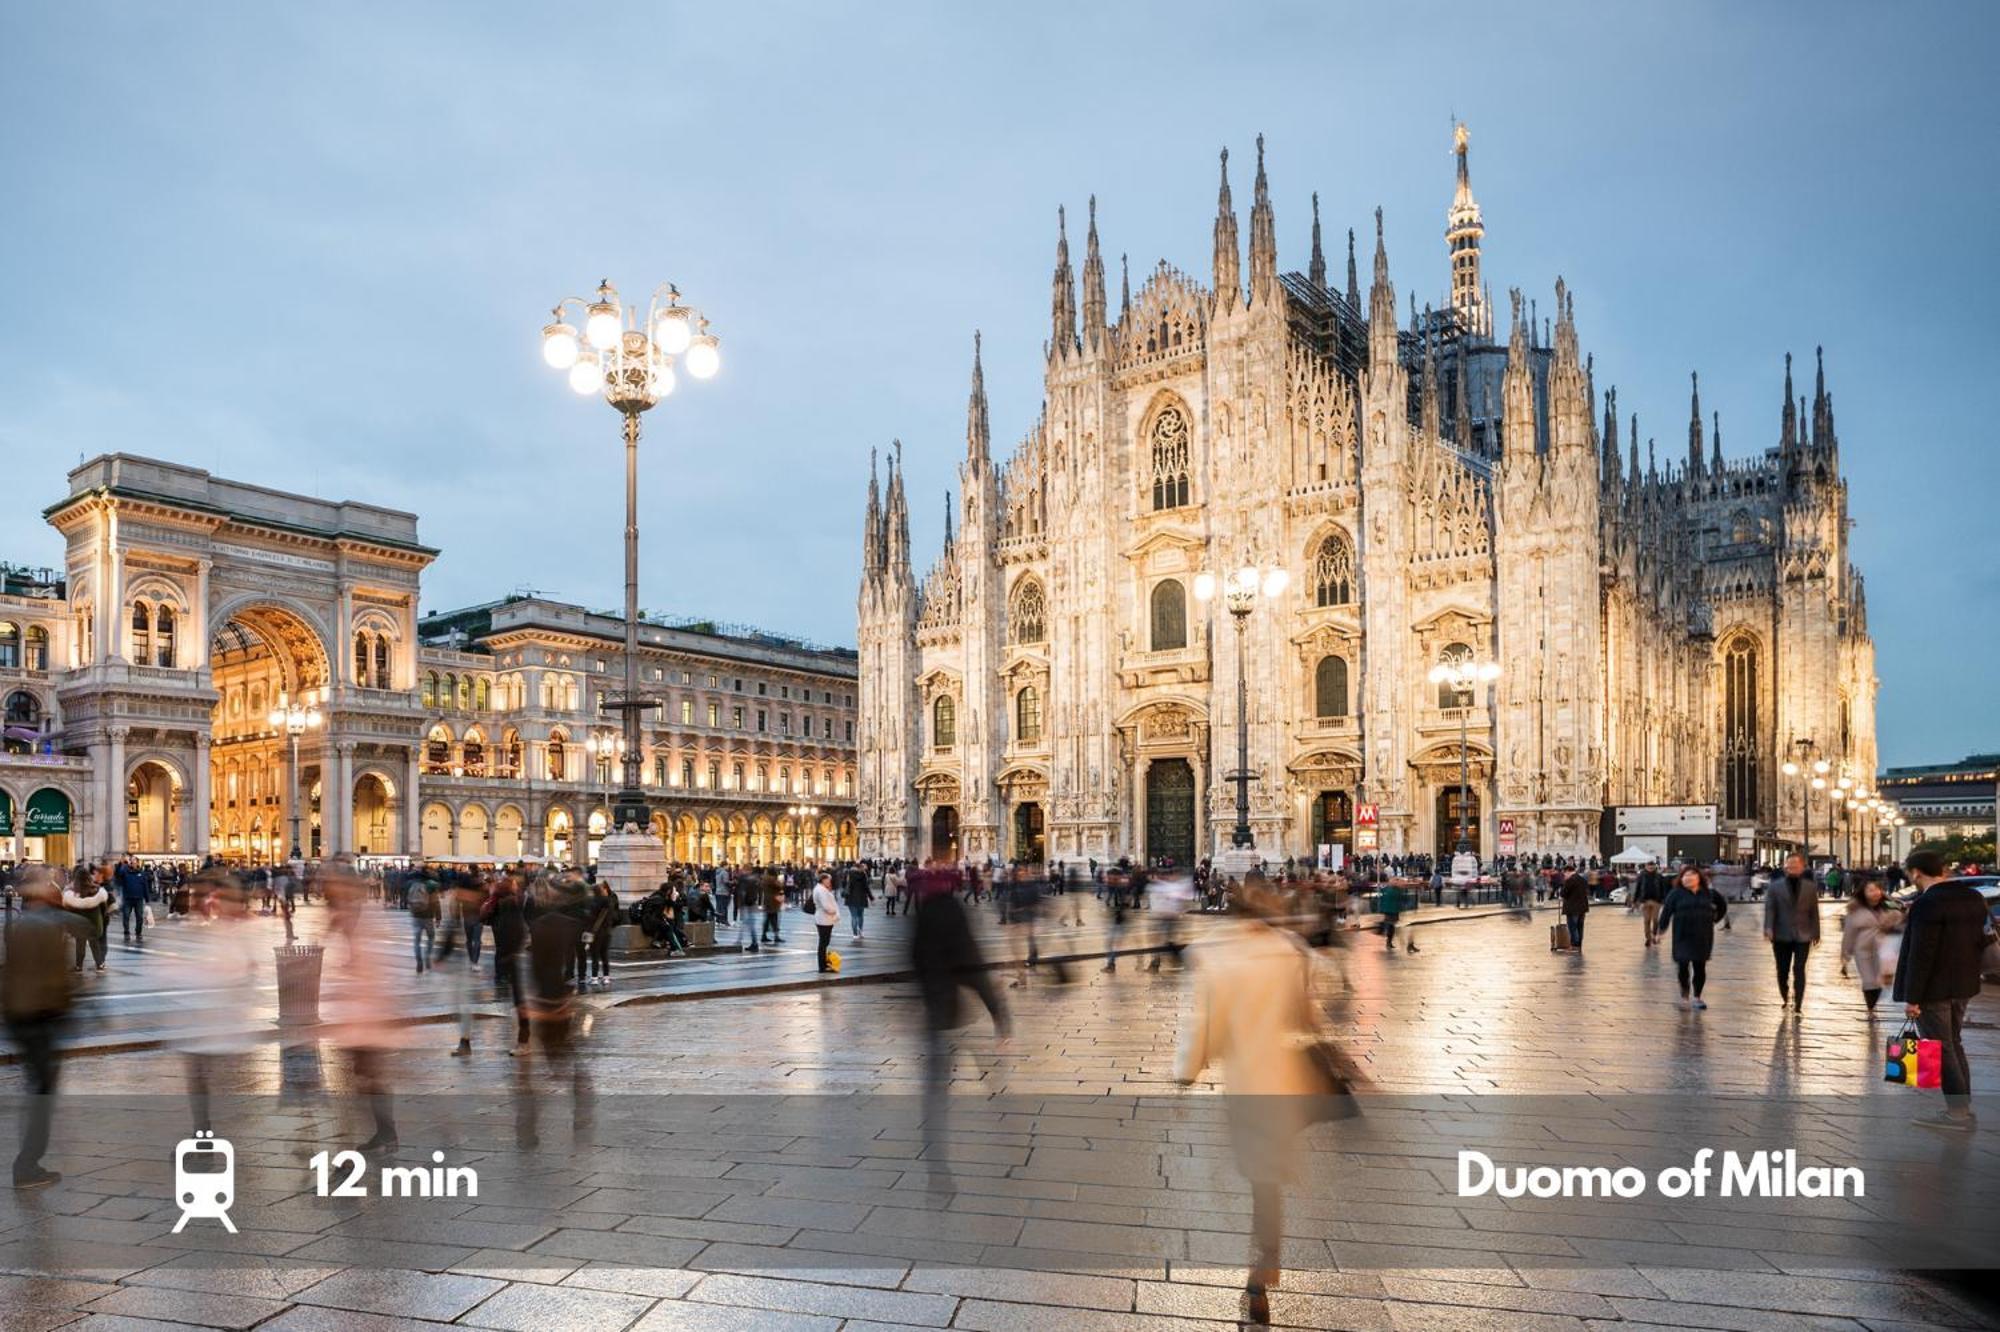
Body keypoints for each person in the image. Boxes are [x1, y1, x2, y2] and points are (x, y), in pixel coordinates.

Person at [1175, 878, 1345, 1324]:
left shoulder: (1217, 958)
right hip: (1285, 1075)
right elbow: (1307, 1015)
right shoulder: (1288, 952)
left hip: (1247, 1080)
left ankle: (1261, 1266)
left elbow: (1205, 1024)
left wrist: (1187, 1071)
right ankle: (1265, 1260)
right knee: (1268, 1178)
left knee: (1258, 1175)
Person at [3, 868, 91, 1187]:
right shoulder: (47, 925)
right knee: (42, 1094)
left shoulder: (19, 926)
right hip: (40, 1017)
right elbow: (85, 929)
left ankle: (27, 1161)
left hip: (19, 1017)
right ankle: (27, 1165)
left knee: (36, 1090)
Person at [1892, 850, 1990, 1131]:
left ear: (1916, 873)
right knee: (1953, 1043)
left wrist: (1912, 998)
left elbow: (1921, 955)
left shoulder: (1927, 904)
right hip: (1965, 984)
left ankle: (1957, 1114)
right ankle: (1962, 1107)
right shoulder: (1973, 897)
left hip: (1934, 989)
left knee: (1941, 1047)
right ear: (1943, 869)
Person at [1656, 865, 1727, 1009]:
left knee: (1699, 966)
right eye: (1685, 876)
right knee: (1683, 965)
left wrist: (1714, 919)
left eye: (1691, 875)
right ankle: (1684, 995)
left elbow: (1722, 907)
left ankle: (1697, 997)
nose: (1688, 878)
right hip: (1682, 935)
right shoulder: (1675, 894)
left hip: (1703, 935)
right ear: (1681, 879)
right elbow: (1666, 913)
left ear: (1699, 877)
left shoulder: (1710, 893)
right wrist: (1660, 931)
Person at [1839, 875, 1903, 1019]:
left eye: (1877, 890)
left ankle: (1873, 1006)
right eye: (1871, 890)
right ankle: (1871, 1009)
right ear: (1864, 892)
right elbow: (1849, 933)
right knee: (1869, 980)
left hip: (1884, 947)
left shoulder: (1888, 904)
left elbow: (1901, 914)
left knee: (1880, 980)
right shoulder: (1855, 909)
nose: (1875, 893)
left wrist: (1892, 918)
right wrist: (1845, 955)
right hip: (1863, 949)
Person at [1763, 853, 1821, 1013]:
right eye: (1789, 866)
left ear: (1802, 867)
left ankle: (1799, 1002)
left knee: (1799, 968)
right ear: (1785, 867)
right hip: (1781, 934)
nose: (1791, 868)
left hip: (1803, 934)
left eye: (1795, 866)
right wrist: (1768, 928)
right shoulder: (1775, 886)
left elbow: (1813, 911)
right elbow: (1770, 908)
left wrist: (1816, 932)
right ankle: (1785, 994)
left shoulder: (1810, 887)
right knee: (1782, 969)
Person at [61, 865, 111, 972]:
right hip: (94, 923)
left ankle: (79, 966)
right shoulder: (97, 891)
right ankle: (100, 964)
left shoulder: (74, 893)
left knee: (80, 944)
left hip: (80, 923)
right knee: (94, 944)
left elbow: (69, 909)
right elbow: (104, 908)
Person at [1556, 868, 1590, 952]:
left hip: (1572, 908)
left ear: (1568, 872)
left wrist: (1562, 889)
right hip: (1582, 907)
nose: (1564, 876)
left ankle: (1574, 945)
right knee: (1580, 927)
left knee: (1573, 927)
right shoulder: (1582, 879)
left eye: (1565, 874)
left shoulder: (1570, 880)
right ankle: (1579, 945)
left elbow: (1563, 893)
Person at [812, 871, 840, 973]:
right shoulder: (821, 890)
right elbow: (826, 906)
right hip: (824, 919)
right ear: (823, 880)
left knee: (824, 943)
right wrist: (833, 911)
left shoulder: (821, 889)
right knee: (823, 943)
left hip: (824, 919)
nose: (830, 882)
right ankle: (822, 966)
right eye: (828, 880)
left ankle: (823, 964)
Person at [1636, 863, 1667, 946]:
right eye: (1649, 866)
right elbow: (1638, 888)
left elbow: (1663, 888)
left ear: (1655, 867)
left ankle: (1654, 935)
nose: (1650, 867)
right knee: (1647, 920)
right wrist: (1635, 900)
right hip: (1645, 901)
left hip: (1656, 901)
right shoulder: (1641, 876)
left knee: (1655, 920)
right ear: (1646, 867)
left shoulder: (1659, 876)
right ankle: (1648, 938)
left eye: (1652, 866)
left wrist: (1664, 900)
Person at [841, 862, 873, 940]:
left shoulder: (848, 874)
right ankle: (860, 932)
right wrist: (871, 897)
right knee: (860, 915)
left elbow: (843, 884)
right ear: (860, 867)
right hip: (861, 897)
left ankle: (855, 934)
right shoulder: (863, 874)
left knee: (853, 916)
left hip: (851, 898)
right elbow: (866, 887)